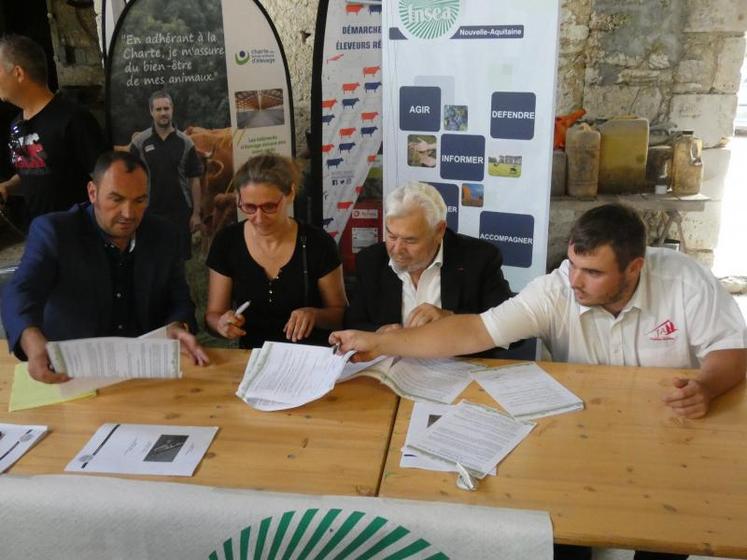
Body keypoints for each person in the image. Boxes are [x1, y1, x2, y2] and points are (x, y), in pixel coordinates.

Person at [332, 204, 747, 560]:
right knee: (565, 528)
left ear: (634, 268)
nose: (576, 281)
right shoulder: (557, 288)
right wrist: (382, 341)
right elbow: (473, 331)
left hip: (669, 431)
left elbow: (732, 351)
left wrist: (706, 386)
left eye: (593, 272)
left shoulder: (687, 282)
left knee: (666, 530)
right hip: (583, 426)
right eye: (573, 265)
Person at [1, 151, 209, 384]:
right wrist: (32, 341)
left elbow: (179, 297)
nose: (129, 214)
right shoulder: (55, 232)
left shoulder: (163, 234)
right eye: (116, 199)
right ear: (93, 193)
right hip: (72, 375)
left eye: (140, 200)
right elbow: (20, 290)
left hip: (144, 372)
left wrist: (176, 325)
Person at [205, 153, 347, 348]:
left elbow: (339, 313)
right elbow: (213, 314)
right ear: (238, 198)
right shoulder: (227, 242)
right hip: (253, 356)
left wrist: (314, 315)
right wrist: (221, 324)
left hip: (309, 356)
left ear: (290, 194)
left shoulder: (318, 243)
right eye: (249, 207)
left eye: (269, 207)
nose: (259, 218)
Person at [345, 181, 512, 334]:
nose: (397, 250)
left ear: (439, 231)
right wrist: (379, 333)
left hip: (457, 363)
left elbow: (512, 329)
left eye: (410, 240)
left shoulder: (479, 259)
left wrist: (452, 320)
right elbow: (352, 324)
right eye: (392, 236)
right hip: (394, 364)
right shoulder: (371, 261)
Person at [0, 34, 107, 222]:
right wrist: (8, 186)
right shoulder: (16, 125)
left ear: (18, 73)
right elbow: (34, 172)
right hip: (43, 238)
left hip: (80, 236)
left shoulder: (73, 119)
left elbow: (106, 181)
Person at [129, 90, 203, 259]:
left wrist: (196, 214)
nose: (163, 113)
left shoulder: (186, 142)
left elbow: (194, 180)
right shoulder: (139, 142)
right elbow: (130, 179)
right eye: (158, 109)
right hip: (149, 212)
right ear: (151, 112)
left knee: (179, 261)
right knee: (151, 259)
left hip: (180, 212)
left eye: (166, 108)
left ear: (172, 109)